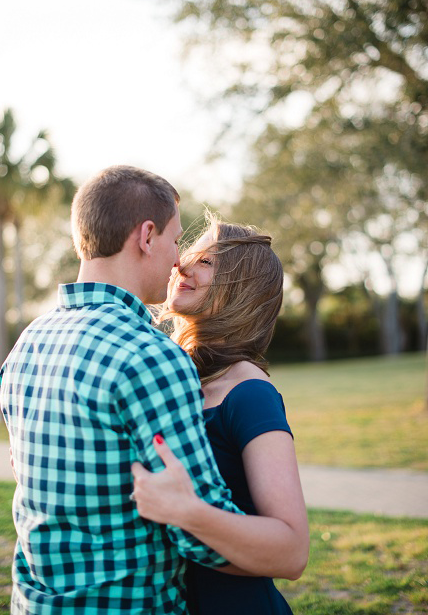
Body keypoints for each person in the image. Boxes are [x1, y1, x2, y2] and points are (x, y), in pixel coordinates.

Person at [0, 166, 245, 613]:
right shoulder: (150, 357)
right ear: (146, 236)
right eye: (174, 240)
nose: (177, 260)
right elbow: (203, 538)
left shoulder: (27, 345)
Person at [130, 213, 309, 614]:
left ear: (242, 288)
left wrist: (188, 513)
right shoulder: (164, 377)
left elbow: (293, 551)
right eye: (188, 254)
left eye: (207, 262)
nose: (181, 265)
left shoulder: (249, 394)